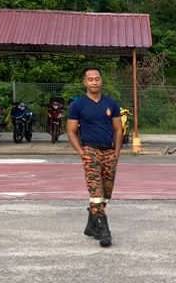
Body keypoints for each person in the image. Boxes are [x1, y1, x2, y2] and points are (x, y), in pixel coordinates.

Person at [67, 67, 123, 247]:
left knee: (107, 191)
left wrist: (116, 152)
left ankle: (91, 222)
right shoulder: (77, 104)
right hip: (90, 150)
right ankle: (103, 229)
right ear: (85, 82)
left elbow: (118, 129)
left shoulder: (111, 104)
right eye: (90, 79)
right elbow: (71, 131)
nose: (94, 82)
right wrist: (81, 152)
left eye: (97, 78)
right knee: (95, 190)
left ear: (101, 81)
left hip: (109, 151)